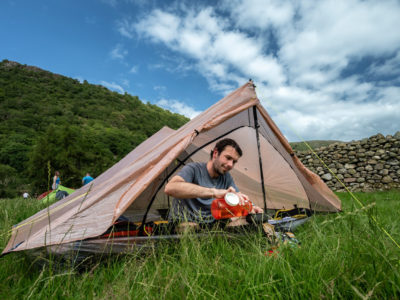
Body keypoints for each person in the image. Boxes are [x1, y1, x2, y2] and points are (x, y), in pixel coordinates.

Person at [165, 138, 263, 224]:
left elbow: (238, 196)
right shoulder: (193, 169)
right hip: (186, 222)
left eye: (234, 162)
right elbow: (170, 188)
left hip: (212, 223)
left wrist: (252, 207)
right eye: (228, 158)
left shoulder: (226, 177)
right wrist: (215, 192)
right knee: (190, 229)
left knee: (248, 221)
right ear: (215, 153)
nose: (230, 165)